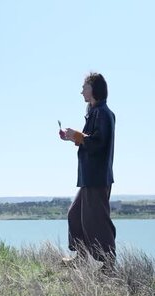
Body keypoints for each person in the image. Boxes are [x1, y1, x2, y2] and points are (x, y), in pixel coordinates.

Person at [60, 72, 117, 273]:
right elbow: (89, 140)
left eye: (84, 87)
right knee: (75, 215)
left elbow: (98, 142)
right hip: (89, 177)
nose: (81, 91)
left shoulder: (103, 113)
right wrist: (73, 138)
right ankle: (81, 257)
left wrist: (77, 136)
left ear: (94, 89)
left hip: (97, 177)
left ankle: (109, 265)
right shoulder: (94, 112)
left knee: (98, 221)